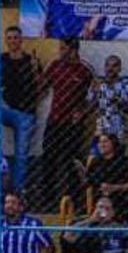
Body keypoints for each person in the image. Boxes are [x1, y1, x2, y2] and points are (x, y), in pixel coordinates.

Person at [41, 38, 93, 211]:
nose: (60, 51)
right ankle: (47, 201)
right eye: (60, 48)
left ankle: (75, 201)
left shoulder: (85, 70)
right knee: (49, 160)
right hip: (54, 121)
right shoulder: (54, 66)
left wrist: (82, 111)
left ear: (73, 50)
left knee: (72, 162)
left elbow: (94, 97)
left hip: (73, 125)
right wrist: (39, 69)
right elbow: (41, 86)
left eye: (63, 48)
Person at [0, 26, 42, 199]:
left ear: (21, 40)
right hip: (7, 109)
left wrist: (34, 69)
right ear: (6, 40)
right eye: (9, 38)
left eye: (16, 37)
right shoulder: (1, 60)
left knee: (21, 154)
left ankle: (18, 191)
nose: (13, 41)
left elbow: (41, 84)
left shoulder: (30, 60)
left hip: (26, 112)